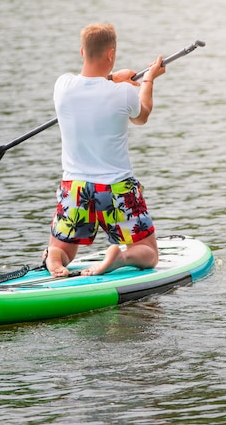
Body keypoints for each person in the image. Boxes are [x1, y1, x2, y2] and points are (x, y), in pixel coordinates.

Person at [46, 23, 166, 277]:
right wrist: (148, 79)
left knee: (64, 249)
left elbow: (92, 83)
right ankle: (121, 255)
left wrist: (112, 78)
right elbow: (141, 115)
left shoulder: (62, 86)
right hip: (115, 188)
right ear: (111, 54)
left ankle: (54, 255)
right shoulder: (123, 94)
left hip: (75, 188)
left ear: (82, 52)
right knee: (149, 253)